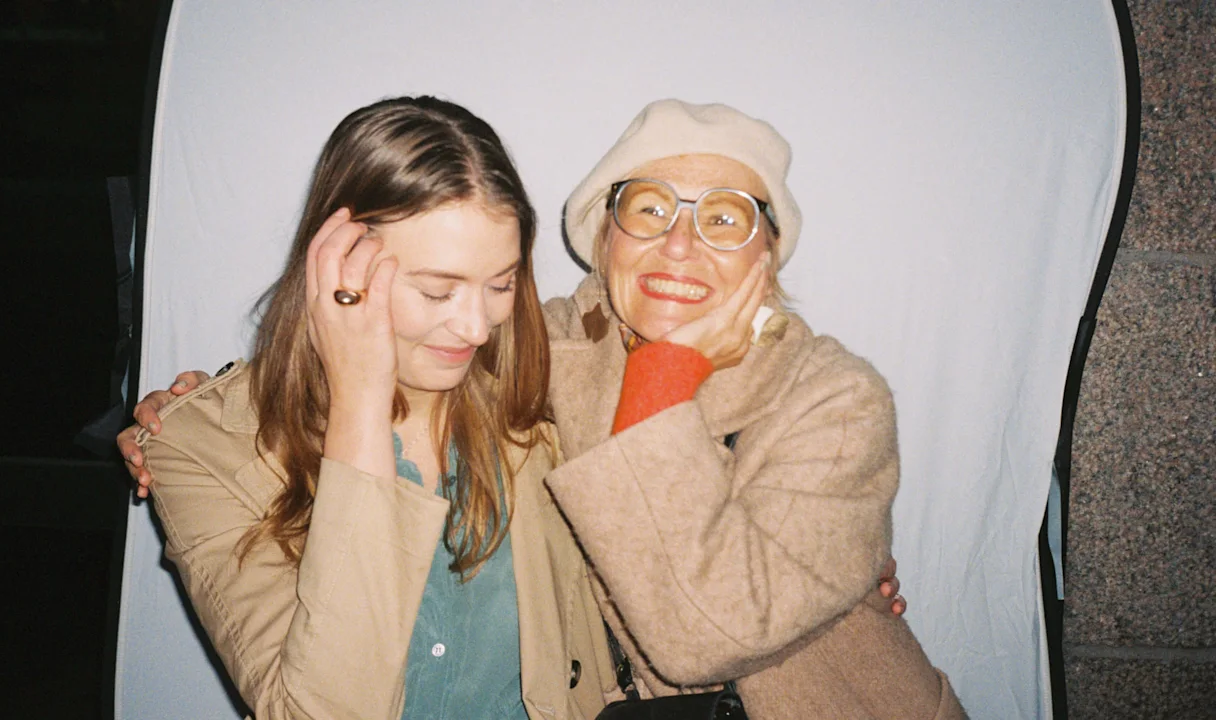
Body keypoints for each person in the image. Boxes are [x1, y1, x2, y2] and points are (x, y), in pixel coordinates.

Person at [123, 99, 961, 718]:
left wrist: (845, 568)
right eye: (650, 211)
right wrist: (336, 393)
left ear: (772, 252)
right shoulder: (540, 360)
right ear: (602, 238)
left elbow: (701, 626)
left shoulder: (821, 395)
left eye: (727, 219)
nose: (476, 324)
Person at [127, 96, 615, 720]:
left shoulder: (545, 395)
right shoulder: (198, 447)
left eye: (500, 284)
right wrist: (359, 394)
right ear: (339, 264)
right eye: (437, 289)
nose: (476, 328)